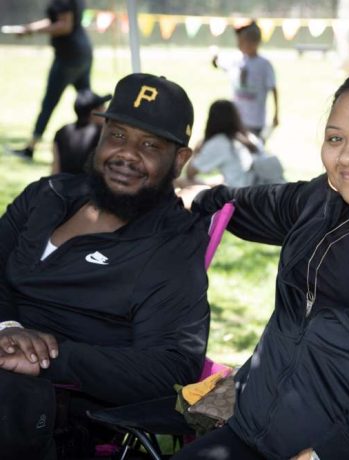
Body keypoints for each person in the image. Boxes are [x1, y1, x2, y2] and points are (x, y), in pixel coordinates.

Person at [173, 66, 349, 459]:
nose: (346, 155)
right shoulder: (325, 201)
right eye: (334, 138)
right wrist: (198, 199)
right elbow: (254, 205)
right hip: (251, 430)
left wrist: (331, 453)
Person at [0, 73, 209, 455]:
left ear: (179, 159)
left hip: (53, 410)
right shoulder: (45, 196)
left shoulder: (171, 245)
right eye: (117, 135)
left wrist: (48, 357)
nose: (127, 154)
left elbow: (170, 368)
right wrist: (8, 328)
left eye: (150, 144)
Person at [11, 0, 93, 160]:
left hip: (69, 56)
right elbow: (58, 21)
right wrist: (31, 28)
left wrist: (33, 30)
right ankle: (93, 147)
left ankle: (30, 148)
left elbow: (64, 25)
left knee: (50, 103)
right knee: (88, 102)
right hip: (82, 52)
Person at [212, 21, 279, 138]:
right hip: (236, 119)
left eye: (242, 41)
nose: (238, 44)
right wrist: (214, 58)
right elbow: (218, 63)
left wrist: (276, 114)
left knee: (253, 149)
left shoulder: (264, 64)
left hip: (255, 121)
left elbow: (273, 88)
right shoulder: (235, 59)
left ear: (254, 43)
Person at [184, 99, 272, 187]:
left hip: (240, 193)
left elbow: (190, 173)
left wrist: (196, 151)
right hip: (261, 188)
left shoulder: (219, 143)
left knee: (181, 182)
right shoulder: (248, 136)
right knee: (219, 180)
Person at [51, 89, 111, 174]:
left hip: (63, 183)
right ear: (94, 113)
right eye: (103, 107)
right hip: (88, 185)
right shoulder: (101, 133)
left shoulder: (62, 131)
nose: (106, 110)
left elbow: (55, 168)